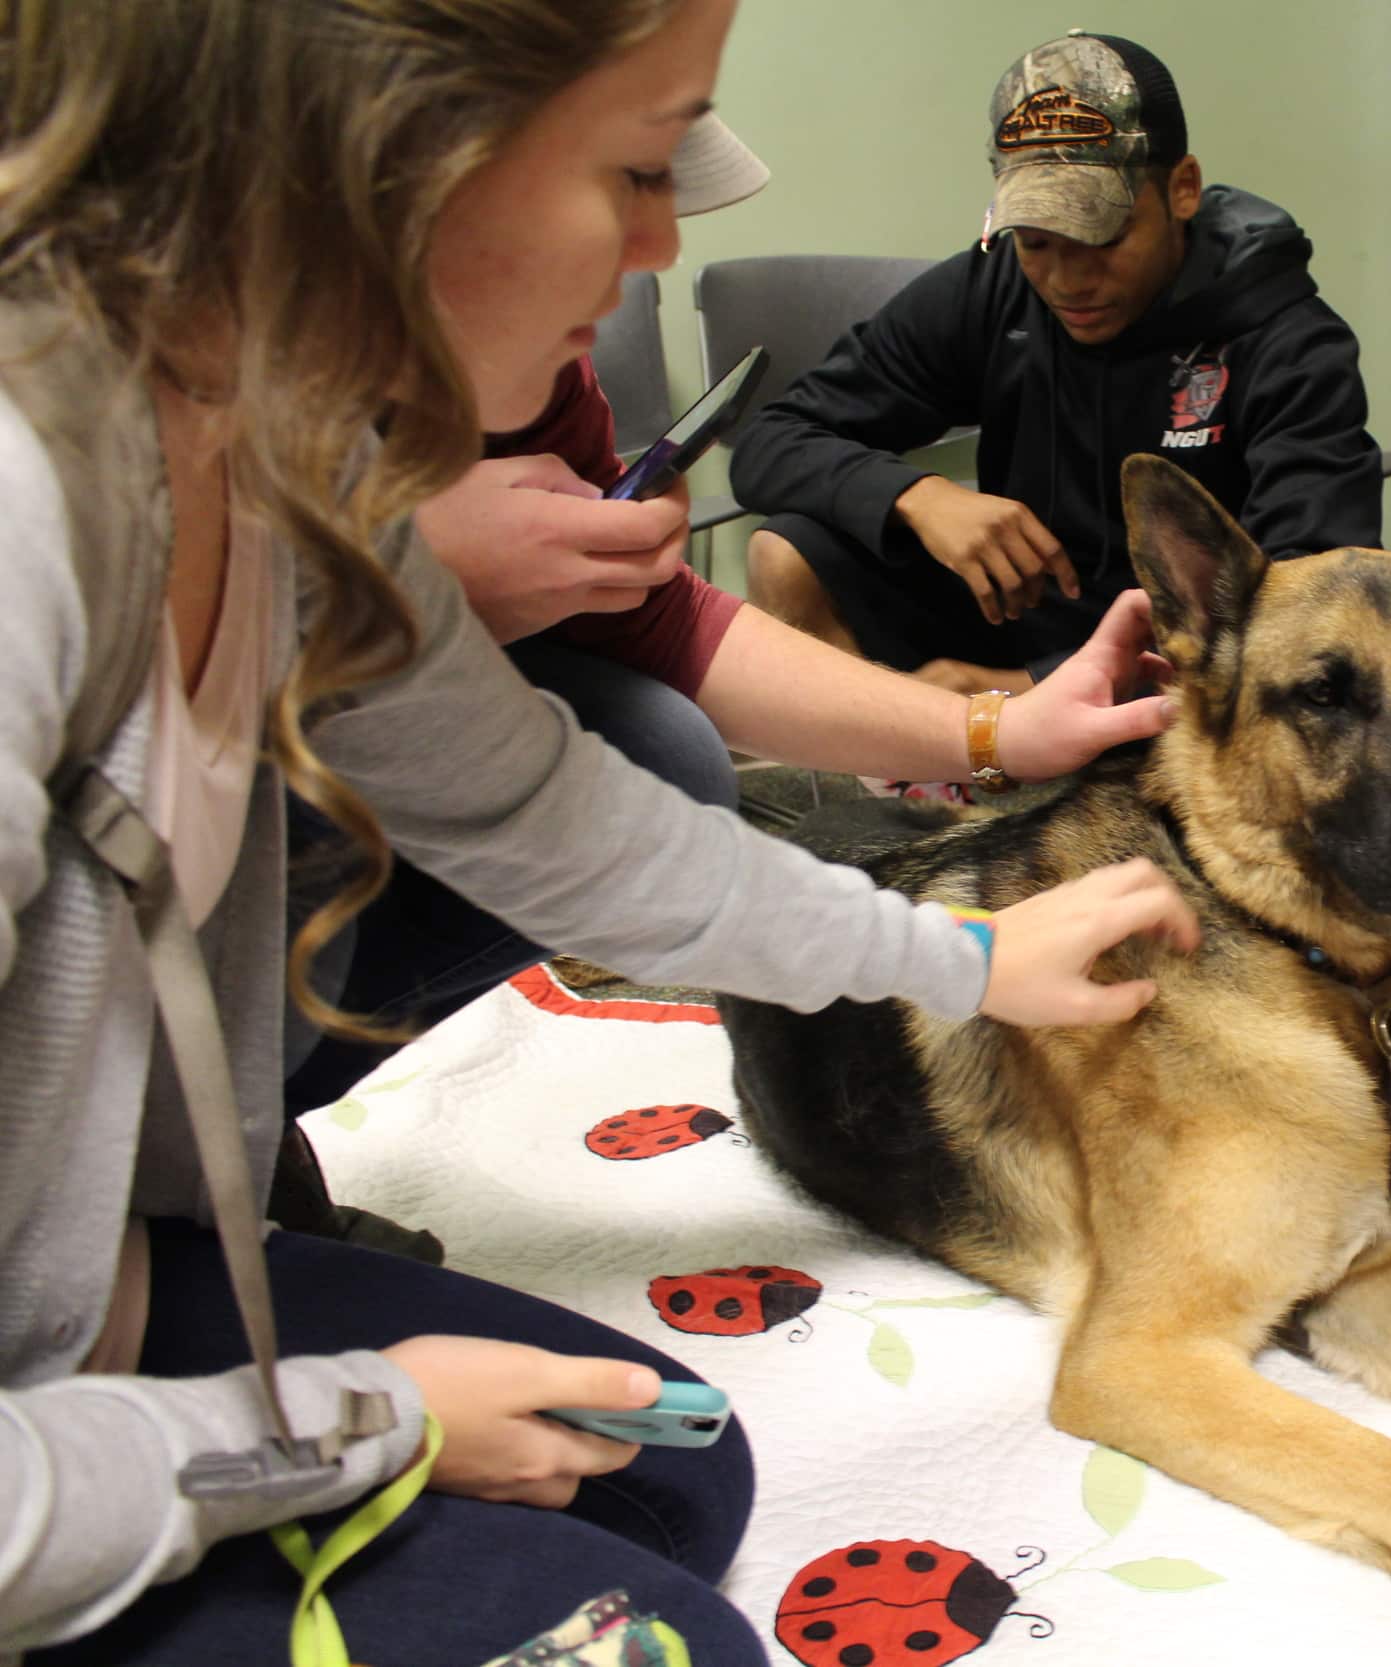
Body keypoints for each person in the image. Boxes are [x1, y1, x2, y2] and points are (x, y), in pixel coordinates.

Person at [0, 2, 1197, 1661]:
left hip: (78, 1310)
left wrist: (970, 955)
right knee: (655, 1629)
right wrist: (357, 1424)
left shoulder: (268, 474)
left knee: (655, 1485)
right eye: (637, 163)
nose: (662, 240)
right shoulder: (29, 515)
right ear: (383, 147)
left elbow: (573, 825)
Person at [283, 109, 1177, 1119]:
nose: (663, 246)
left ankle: (245, 1118)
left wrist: (998, 741)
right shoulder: (194, 438)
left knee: (653, 751)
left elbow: (591, 780)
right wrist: (381, 573)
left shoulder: (535, 374)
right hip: (146, 1005)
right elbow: (549, 812)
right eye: (622, 175)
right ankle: (204, 1130)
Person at [731, 30, 1384, 694]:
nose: (1067, 280)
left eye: (1102, 237)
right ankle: (876, 785)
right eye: (1038, 241)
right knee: (785, 555)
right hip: (1019, 614)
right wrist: (916, 495)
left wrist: (1032, 686)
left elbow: (1309, 602)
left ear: (1182, 190)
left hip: (1197, 661)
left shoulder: (1288, 340)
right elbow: (769, 443)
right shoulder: (993, 290)